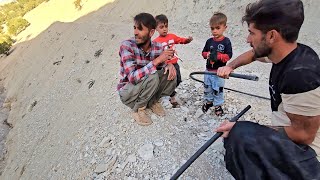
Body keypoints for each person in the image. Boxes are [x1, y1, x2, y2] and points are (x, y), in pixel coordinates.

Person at [216, 0, 320, 179]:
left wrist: (252, 129)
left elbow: (304, 135)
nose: (248, 39)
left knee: (239, 136)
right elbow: (254, 54)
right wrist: (230, 66)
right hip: (295, 135)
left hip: (310, 155)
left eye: (251, 33)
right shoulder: (284, 52)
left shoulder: (301, 75)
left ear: (271, 36)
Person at [117, 13, 177, 126]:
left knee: (171, 73)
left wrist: (168, 65)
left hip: (145, 86)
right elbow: (132, 77)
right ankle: (138, 109)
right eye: (134, 28)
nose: (135, 32)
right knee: (152, 75)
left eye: (140, 29)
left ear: (151, 32)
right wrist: (157, 61)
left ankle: (152, 101)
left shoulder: (158, 47)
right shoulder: (127, 46)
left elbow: (162, 65)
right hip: (128, 92)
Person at [153, 14, 193, 108]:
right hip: (165, 66)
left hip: (175, 63)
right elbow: (154, 56)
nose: (164, 29)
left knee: (178, 80)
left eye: (166, 26)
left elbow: (180, 40)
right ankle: (165, 97)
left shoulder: (171, 36)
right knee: (168, 80)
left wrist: (187, 40)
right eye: (161, 27)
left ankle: (170, 93)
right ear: (156, 28)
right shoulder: (156, 42)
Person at [201, 12, 232, 116]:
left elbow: (229, 56)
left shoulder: (226, 42)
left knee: (218, 89)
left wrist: (219, 56)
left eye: (217, 28)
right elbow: (203, 53)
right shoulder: (209, 41)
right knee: (207, 87)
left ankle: (218, 105)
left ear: (225, 27)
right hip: (208, 71)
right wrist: (208, 55)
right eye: (212, 28)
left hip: (219, 72)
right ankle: (209, 101)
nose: (214, 31)